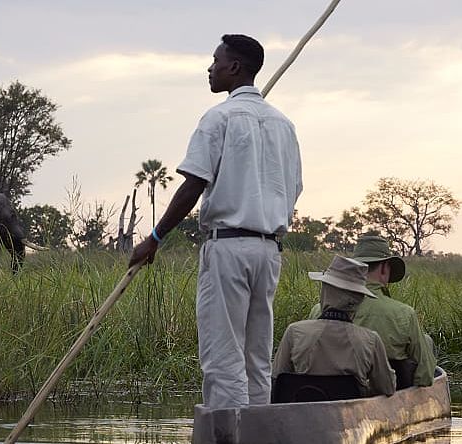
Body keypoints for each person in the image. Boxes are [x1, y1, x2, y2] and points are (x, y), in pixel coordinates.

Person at [129, 34, 303, 409]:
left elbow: (193, 185)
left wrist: (155, 238)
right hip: (269, 250)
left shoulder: (219, 117)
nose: (210, 68)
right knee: (256, 357)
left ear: (234, 67)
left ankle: (230, 434)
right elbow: (294, 189)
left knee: (224, 357)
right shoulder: (283, 125)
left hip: (228, 249)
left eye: (215, 60)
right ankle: (258, 431)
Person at [308, 235, 437, 387]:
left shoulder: (318, 311)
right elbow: (425, 376)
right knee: (426, 341)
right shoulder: (404, 314)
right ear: (384, 268)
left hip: (322, 389)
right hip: (384, 391)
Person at [273, 255, 396, 397]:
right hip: (349, 417)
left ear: (325, 291)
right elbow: (387, 388)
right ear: (359, 298)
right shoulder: (370, 341)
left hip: (301, 415)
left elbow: (276, 381)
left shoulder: (295, 332)